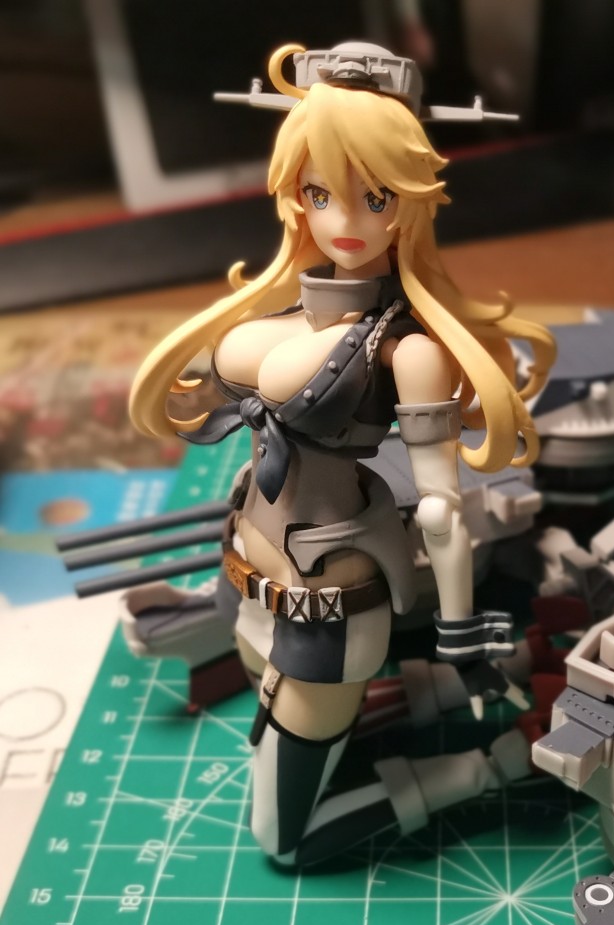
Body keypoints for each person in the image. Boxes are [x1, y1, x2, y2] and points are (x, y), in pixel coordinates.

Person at [128, 42, 554, 865]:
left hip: (325, 607)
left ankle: (485, 768)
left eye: (375, 196)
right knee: (280, 711)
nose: (343, 221)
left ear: (410, 202)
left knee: (281, 840)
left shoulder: (407, 350)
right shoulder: (277, 311)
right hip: (241, 569)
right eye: (319, 193)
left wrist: (460, 628)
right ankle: (412, 699)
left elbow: (440, 508)